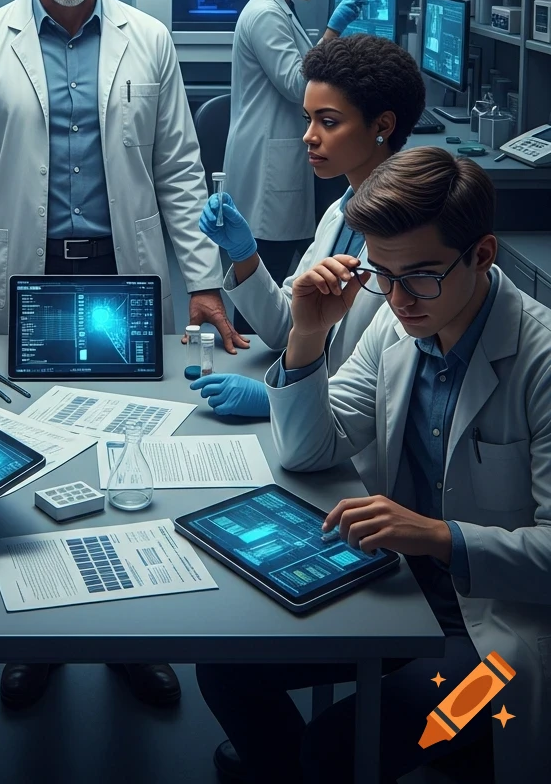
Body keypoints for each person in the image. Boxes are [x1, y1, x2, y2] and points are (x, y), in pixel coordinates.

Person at [0, 0, 242, 712]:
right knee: (26, 444)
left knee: (126, 445)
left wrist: (206, 283)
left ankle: (127, 635)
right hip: (21, 271)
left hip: (120, 268)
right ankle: (39, 640)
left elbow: (181, 169)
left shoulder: (149, 37)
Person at [197, 148, 551, 784]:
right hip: (398, 595)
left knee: (341, 747)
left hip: (502, 638)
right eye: (382, 276)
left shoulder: (541, 363)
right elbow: (308, 450)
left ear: (483, 254)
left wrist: (439, 537)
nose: (397, 298)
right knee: (226, 666)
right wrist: (307, 335)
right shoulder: (398, 323)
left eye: (419, 276)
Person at [193, 34, 425, 419]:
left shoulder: (411, 238)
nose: (309, 136)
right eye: (308, 119)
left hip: (358, 445)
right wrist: (245, 255)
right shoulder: (341, 211)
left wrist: (277, 400)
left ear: (382, 125)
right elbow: (291, 325)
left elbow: (388, 381)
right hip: (314, 421)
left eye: (328, 121)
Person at [222, 0, 365, 308]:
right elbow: (297, 84)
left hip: (276, 147)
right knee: (264, 272)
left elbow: (302, 68)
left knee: (275, 270)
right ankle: (251, 348)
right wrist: (333, 31)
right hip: (270, 156)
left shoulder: (280, 8)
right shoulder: (266, 13)